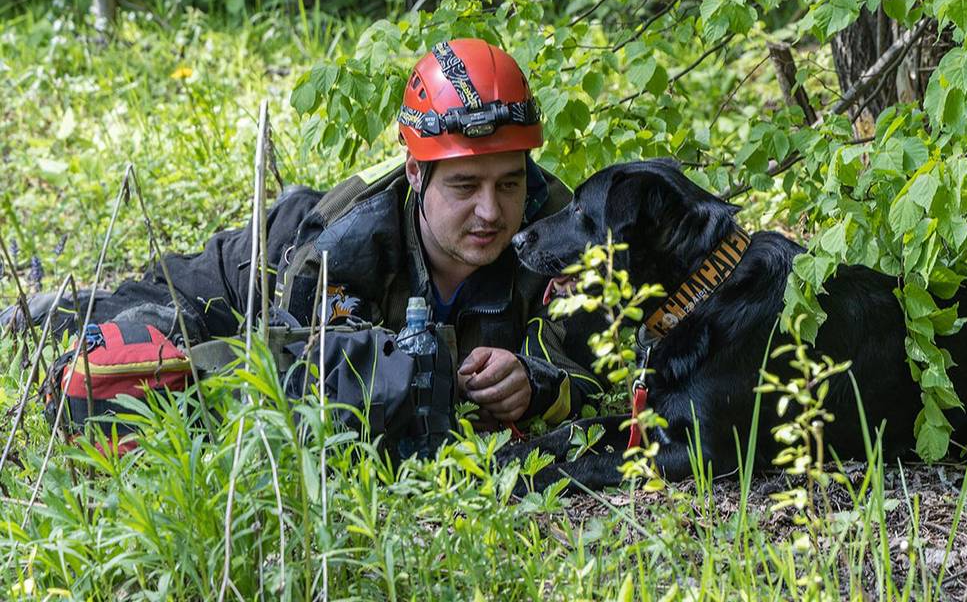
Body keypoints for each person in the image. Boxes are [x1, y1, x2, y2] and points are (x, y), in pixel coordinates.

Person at [3, 38, 601, 432]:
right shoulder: (343, 247)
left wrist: (539, 383)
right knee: (115, 371)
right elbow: (301, 378)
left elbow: (607, 363)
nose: (492, 212)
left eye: (510, 183)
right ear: (417, 175)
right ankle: (55, 309)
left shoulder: (559, 230)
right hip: (246, 286)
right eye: (465, 186)